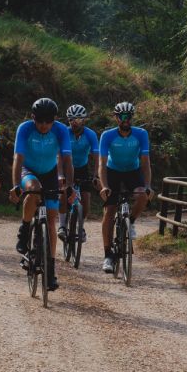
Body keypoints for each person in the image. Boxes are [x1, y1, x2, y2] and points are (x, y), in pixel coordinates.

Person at [11, 97, 72, 291]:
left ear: (54, 119)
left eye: (48, 121)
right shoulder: (25, 129)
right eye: (40, 121)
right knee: (32, 189)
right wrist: (15, 185)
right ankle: (25, 229)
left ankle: (50, 270)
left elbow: (67, 160)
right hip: (28, 170)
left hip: (50, 174)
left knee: (52, 220)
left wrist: (69, 186)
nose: (44, 125)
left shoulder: (61, 130)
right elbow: (18, 158)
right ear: (33, 118)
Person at [99, 101, 151, 274]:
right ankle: (108, 255)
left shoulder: (141, 134)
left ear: (132, 118)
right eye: (122, 116)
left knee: (143, 196)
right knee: (109, 211)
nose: (125, 120)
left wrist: (147, 185)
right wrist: (104, 186)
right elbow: (102, 163)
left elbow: (145, 163)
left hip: (133, 171)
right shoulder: (107, 135)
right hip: (112, 172)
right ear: (116, 118)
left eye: (128, 117)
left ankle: (131, 222)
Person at [59, 104, 99, 244]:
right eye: (71, 120)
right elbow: (58, 155)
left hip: (82, 168)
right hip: (65, 167)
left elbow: (96, 156)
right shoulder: (64, 132)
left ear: (84, 120)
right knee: (63, 193)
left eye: (78, 120)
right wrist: (60, 175)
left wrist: (96, 175)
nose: (74, 123)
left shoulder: (90, 134)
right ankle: (62, 225)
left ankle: (80, 226)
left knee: (86, 200)